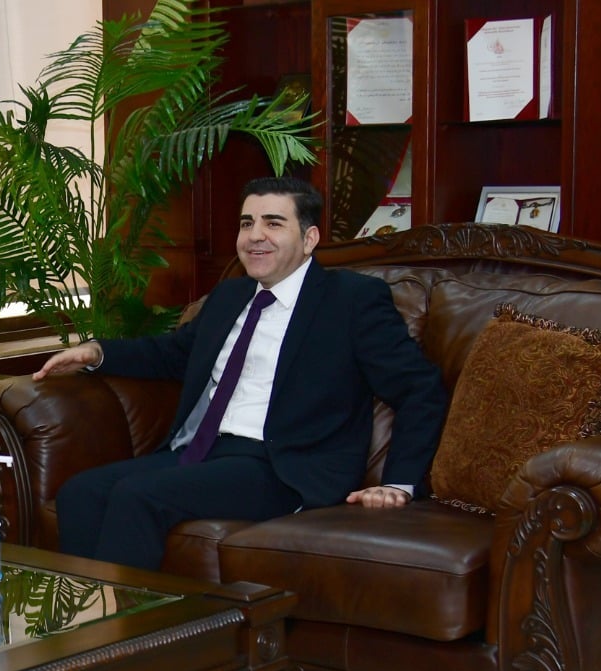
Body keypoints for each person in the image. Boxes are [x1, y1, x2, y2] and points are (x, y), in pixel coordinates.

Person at [33, 177, 447, 570]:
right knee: (80, 493)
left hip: (282, 466)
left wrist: (399, 484)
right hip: (203, 452)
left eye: (273, 223)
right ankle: (92, 616)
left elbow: (419, 388)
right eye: (247, 223)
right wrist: (98, 352)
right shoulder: (231, 295)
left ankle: (131, 621)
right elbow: (175, 354)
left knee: (138, 496)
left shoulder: (350, 301)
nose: (254, 236)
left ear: (309, 239)